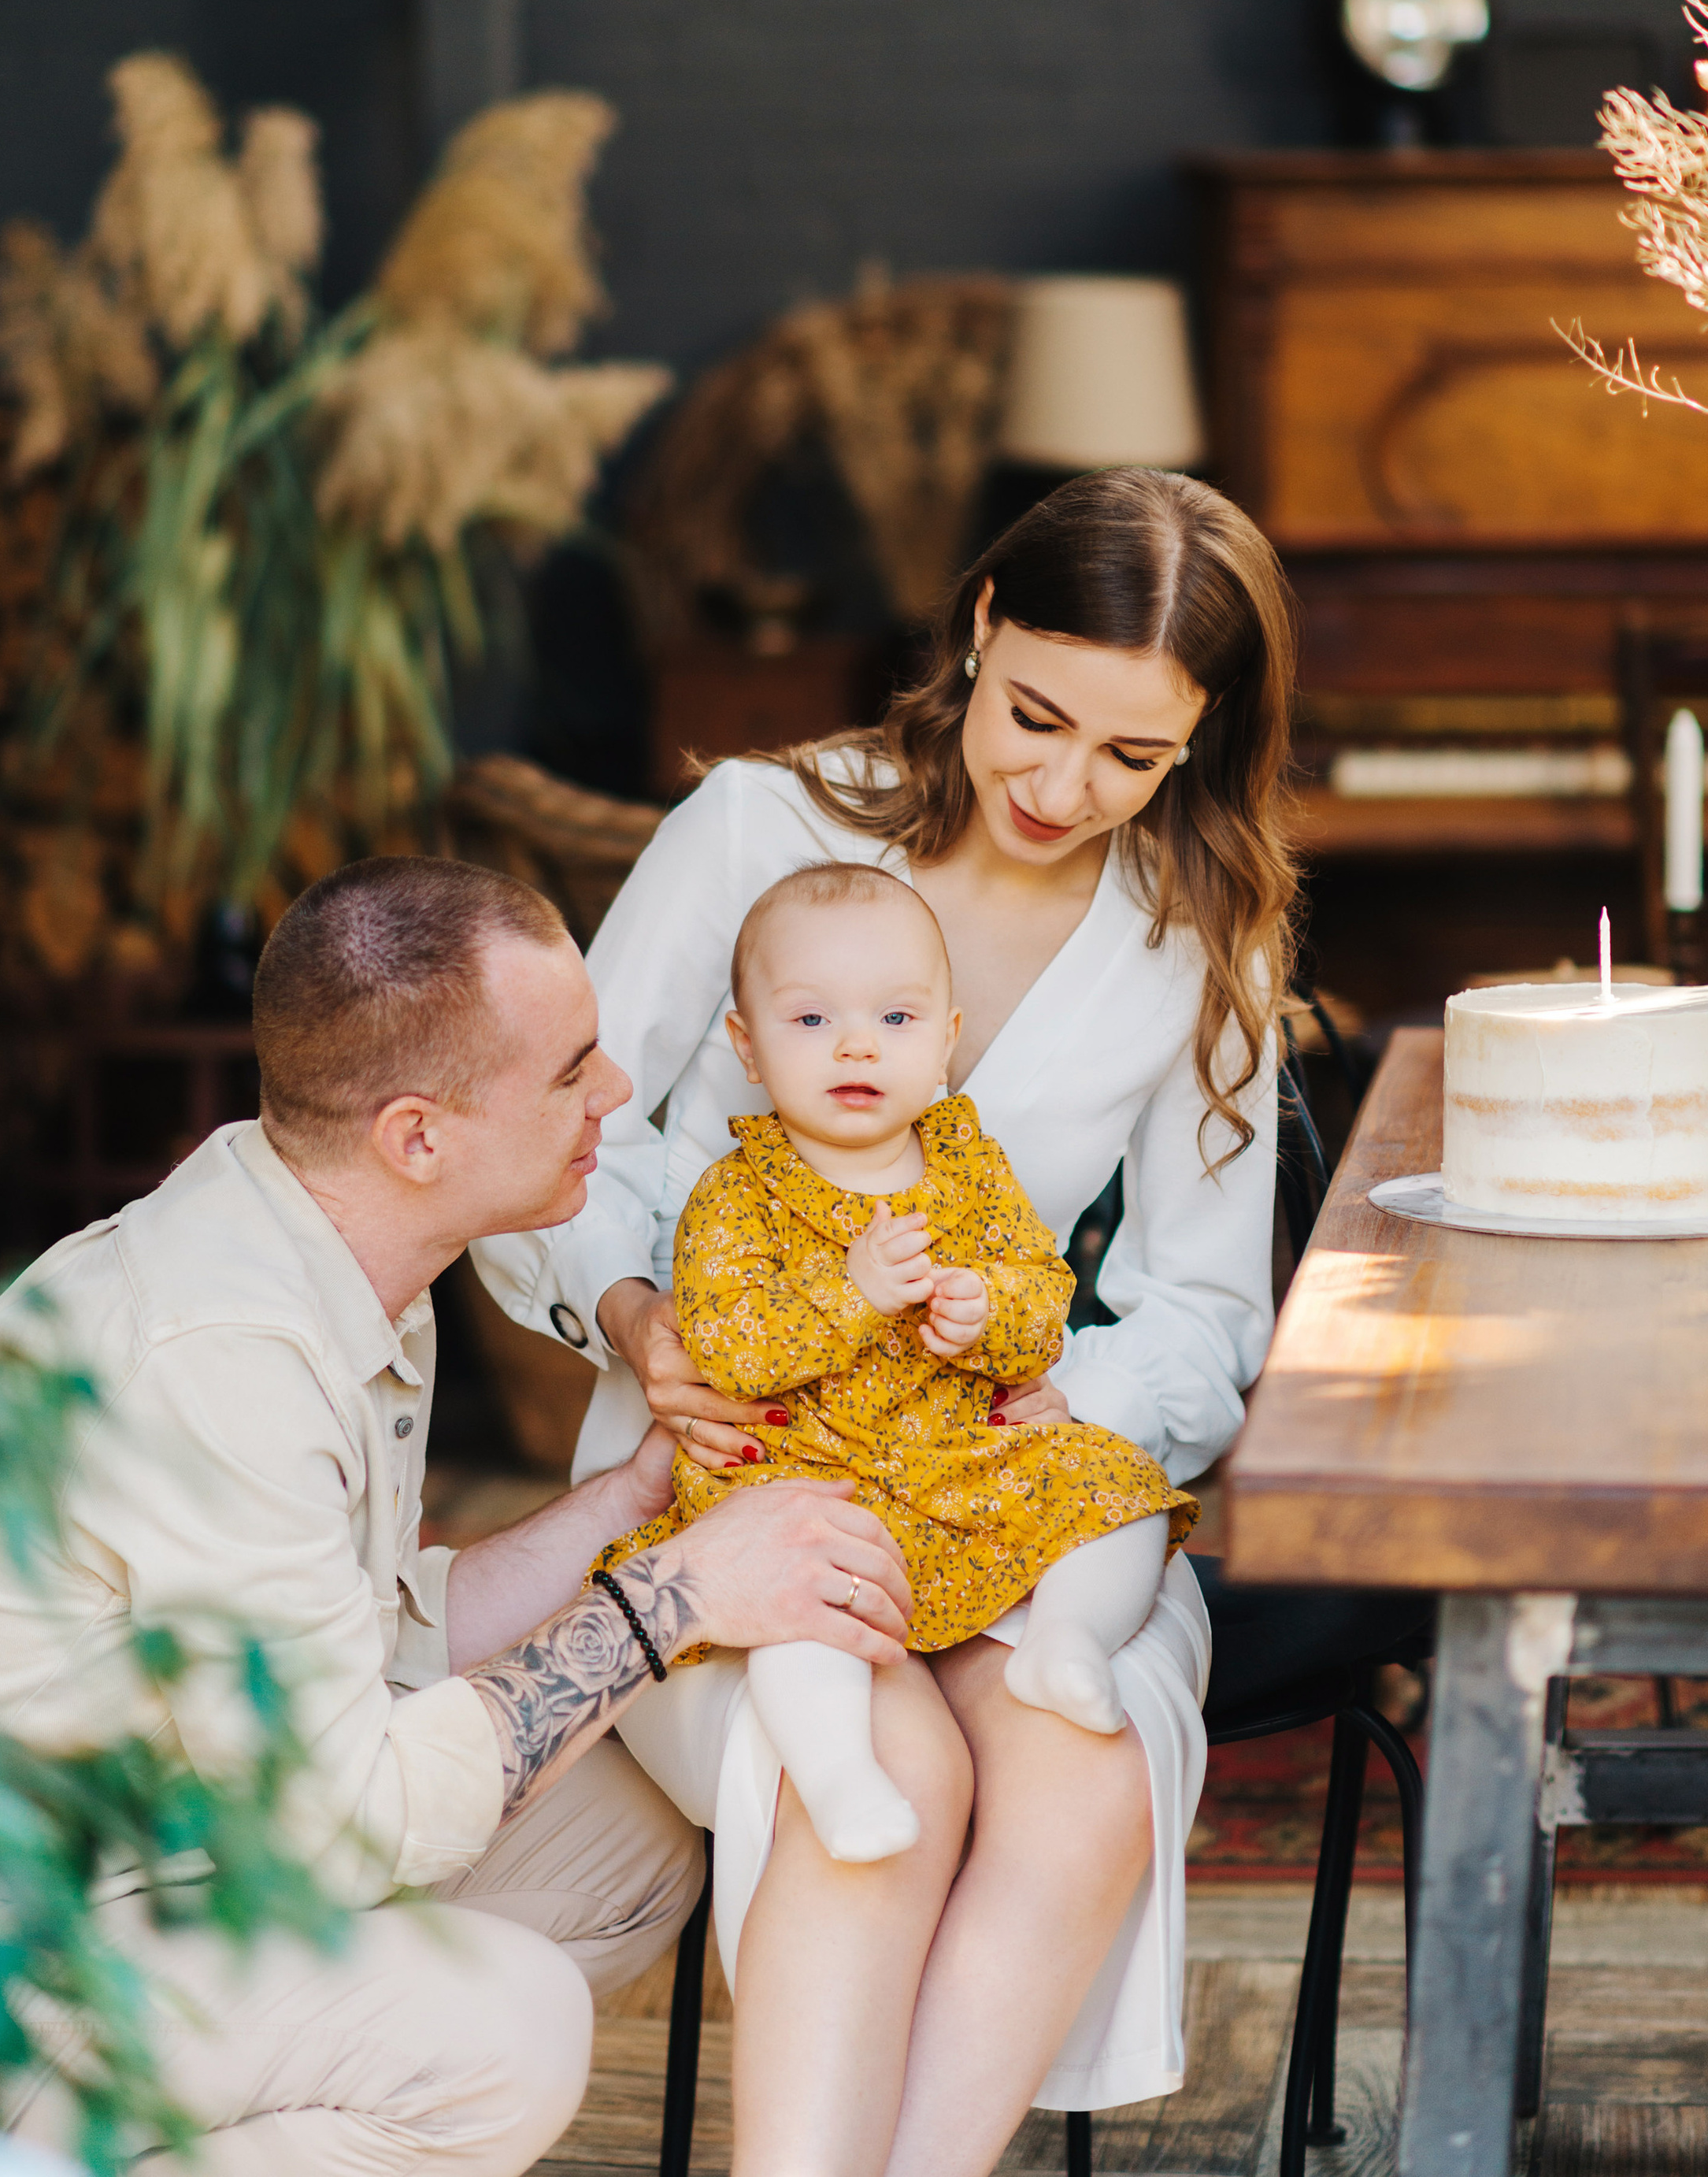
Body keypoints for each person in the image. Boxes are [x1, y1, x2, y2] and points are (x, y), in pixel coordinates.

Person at [473, 465, 1300, 2176]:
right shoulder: (758, 829)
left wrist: (1062, 1396)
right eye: (1036, 718)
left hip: (1006, 1477)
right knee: (889, 1788)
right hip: (739, 1466)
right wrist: (633, 1317)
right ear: (982, 624)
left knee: (1080, 1778)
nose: (1060, 789)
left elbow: (1207, 1310)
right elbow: (555, 1140)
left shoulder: (1195, 933)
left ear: (1200, 741)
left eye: (1133, 756)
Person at [0, 855, 913, 2177]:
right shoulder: (223, 1359)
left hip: (189, 1836)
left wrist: (635, 1500)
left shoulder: (349, 1247)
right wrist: (677, 1596)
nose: (616, 1092)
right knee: (508, 2031)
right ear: (418, 1137)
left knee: (636, 1830)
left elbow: (377, 1635)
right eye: (573, 1070)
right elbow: (343, 1817)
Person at [597, 860, 1192, 1863]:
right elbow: (729, 1349)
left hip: (955, 1461)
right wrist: (854, 1290)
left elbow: (1040, 1299)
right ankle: (839, 1775)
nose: (858, 1044)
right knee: (797, 1608)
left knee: (1118, 1484)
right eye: (811, 1019)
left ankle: (1065, 1645)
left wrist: (985, 1314)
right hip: (804, 1481)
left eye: (897, 1018)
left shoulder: (969, 1169)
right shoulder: (735, 1195)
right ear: (747, 1045)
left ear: (946, 1039)